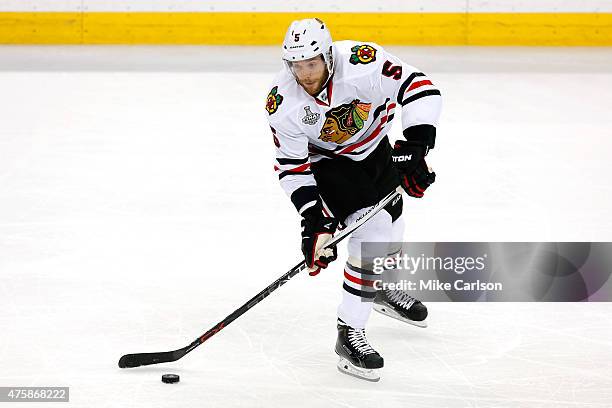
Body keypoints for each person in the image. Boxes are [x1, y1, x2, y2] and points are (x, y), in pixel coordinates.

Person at [265, 18, 442, 381]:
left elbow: (420, 87)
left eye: (311, 63)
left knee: (394, 221)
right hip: (328, 162)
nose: (305, 74)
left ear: (328, 56)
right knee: (372, 231)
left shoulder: (363, 61)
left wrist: (415, 146)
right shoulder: (282, 101)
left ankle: (378, 289)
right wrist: (314, 217)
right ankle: (349, 332)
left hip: (376, 147)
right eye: (296, 65)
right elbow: (291, 167)